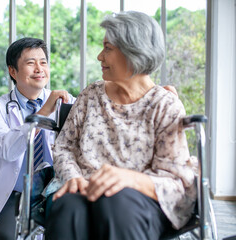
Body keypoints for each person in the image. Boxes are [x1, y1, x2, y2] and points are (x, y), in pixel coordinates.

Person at [45, 11, 196, 240]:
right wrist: (72, 177)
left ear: (133, 50)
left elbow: (175, 180)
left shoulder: (165, 105)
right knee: (67, 207)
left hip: (137, 200)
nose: (99, 56)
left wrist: (128, 179)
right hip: (82, 189)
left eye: (107, 48)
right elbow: (64, 147)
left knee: (116, 203)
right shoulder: (91, 94)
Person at [0, 37, 76, 240]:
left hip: (55, 189)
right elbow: (5, 149)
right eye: (31, 63)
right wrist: (43, 112)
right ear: (12, 71)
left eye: (43, 62)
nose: (39, 69)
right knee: (2, 236)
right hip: (16, 192)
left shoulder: (66, 102)